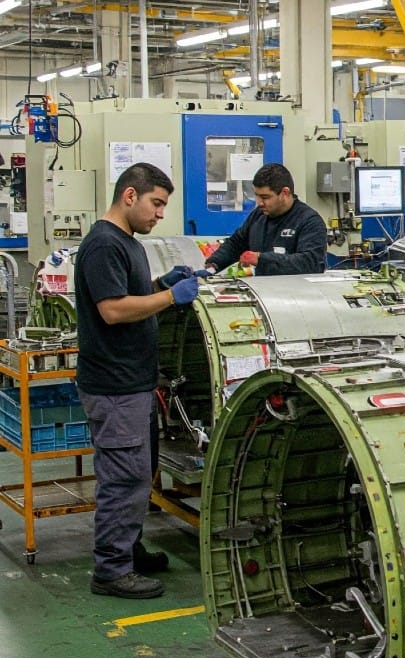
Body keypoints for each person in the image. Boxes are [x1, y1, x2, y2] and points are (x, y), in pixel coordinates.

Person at [74, 162, 201, 599]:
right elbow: (112, 309)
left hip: (134, 382)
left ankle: (127, 549)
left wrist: (162, 282)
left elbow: (128, 291)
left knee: (139, 473)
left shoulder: (126, 242)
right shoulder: (103, 244)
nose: (160, 214)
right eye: (156, 203)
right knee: (123, 478)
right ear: (130, 195)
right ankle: (111, 570)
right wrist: (169, 297)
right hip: (114, 385)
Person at [203, 163, 327, 276]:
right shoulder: (258, 215)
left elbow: (311, 263)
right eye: (256, 196)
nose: (259, 203)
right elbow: (236, 244)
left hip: (294, 291)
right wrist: (213, 265)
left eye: (265, 197)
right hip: (260, 289)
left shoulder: (309, 221)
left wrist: (261, 259)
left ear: (285, 193)